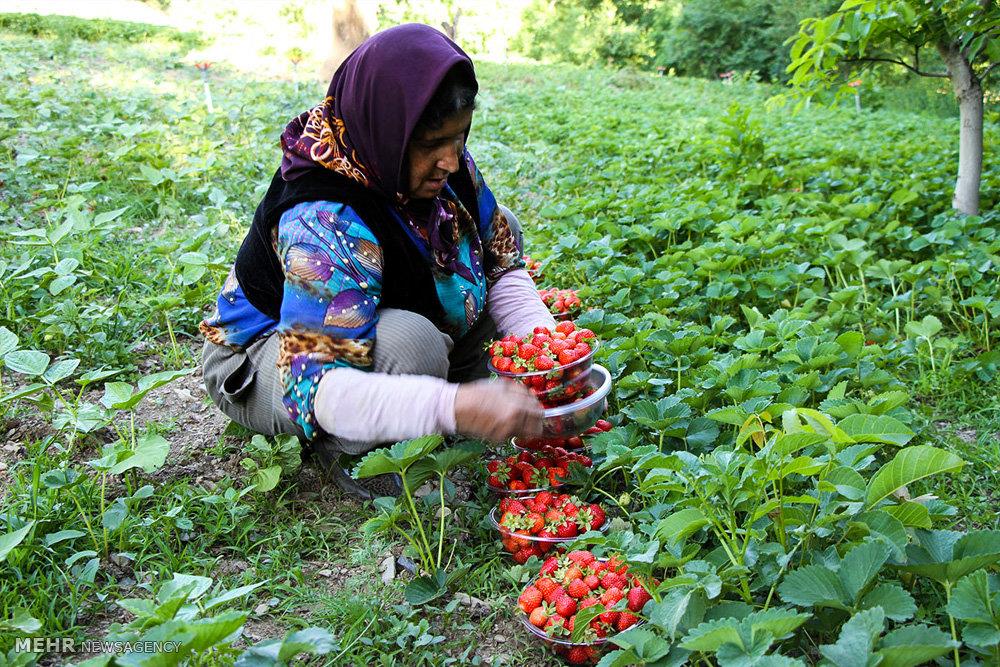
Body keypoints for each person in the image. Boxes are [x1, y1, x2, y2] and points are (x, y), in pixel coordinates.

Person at [199, 24, 556, 499]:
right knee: (412, 345)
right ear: (388, 130)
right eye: (431, 144)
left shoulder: (443, 164)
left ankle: (434, 396)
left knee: (487, 226)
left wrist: (548, 349)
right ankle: (356, 452)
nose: (451, 160)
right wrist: (456, 405)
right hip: (270, 359)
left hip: (366, 319)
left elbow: (497, 261)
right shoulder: (324, 218)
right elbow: (319, 387)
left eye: (460, 137)